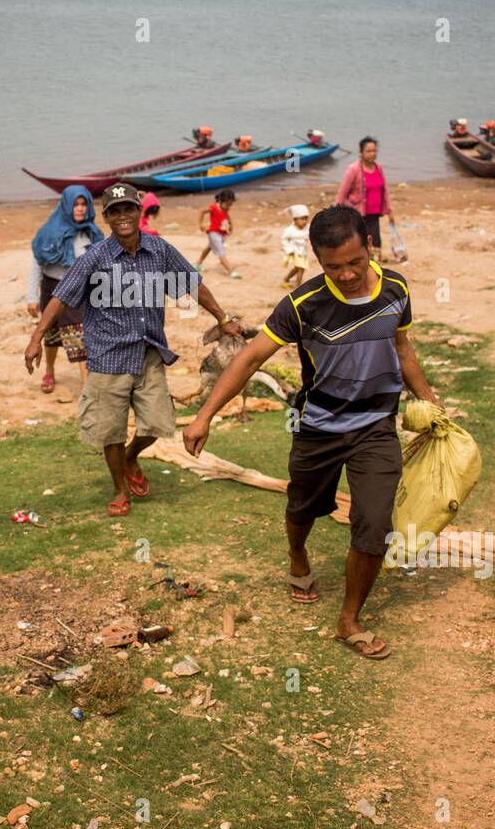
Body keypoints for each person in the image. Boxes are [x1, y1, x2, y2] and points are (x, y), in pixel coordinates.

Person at [182, 204, 439, 660]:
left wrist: (430, 401)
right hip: (319, 426)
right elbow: (249, 358)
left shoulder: (396, 288)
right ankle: (298, 555)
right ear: (318, 260)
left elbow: (403, 349)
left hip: (377, 425)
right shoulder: (303, 305)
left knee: (375, 523)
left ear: (369, 247)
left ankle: (349, 619)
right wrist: (205, 415)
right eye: (333, 266)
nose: (346, 275)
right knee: (303, 507)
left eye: (355, 262)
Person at [24, 182, 241, 517]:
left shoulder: (159, 249)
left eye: (129, 209)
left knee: (158, 424)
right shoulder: (95, 257)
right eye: (115, 211)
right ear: (107, 218)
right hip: (107, 357)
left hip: (149, 351)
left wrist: (223, 317)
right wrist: (37, 337)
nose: (123, 216)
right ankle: (120, 490)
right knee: (110, 430)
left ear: (140, 212)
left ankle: (130, 457)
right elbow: (62, 295)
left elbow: (192, 282)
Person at [27, 186, 103, 393]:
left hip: (79, 293)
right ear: (66, 206)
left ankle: (88, 391)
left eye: (83, 204)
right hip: (52, 288)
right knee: (51, 336)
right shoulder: (49, 232)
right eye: (75, 204)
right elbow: (37, 264)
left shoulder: (92, 233)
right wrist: (31, 297)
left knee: (81, 338)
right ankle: (49, 371)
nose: (80, 209)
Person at [335, 136, 395, 263]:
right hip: (358, 215)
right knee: (360, 244)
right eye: (369, 151)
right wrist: (337, 214)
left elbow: (385, 191)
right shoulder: (353, 169)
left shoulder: (379, 168)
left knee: (376, 242)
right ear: (361, 152)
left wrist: (390, 210)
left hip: (374, 214)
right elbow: (342, 193)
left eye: (374, 150)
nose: (372, 154)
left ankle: (375, 267)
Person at [197, 188, 240, 278]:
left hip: (221, 233)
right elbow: (202, 211)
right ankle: (231, 272)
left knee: (209, 247)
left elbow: (227, 217)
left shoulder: (225, 208)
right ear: (221, 201)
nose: (229, 207)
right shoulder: (213, 208)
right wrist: (200, 224)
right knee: (221, 252)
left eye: (231, 205)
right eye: (227, 204)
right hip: (213, 233)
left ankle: (198, 263)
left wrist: (231, 226)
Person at [281, 203, 310, 288]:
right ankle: (298, 286)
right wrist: (289, 249)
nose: (304, 221)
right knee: (301, 268)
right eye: (302, 219)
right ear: (295, 219)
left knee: (297, 268)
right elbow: (284, 240)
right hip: (295, 251)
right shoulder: (290, 230)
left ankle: (286, 278)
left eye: (306, 219)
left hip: (303, 251)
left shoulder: (307, 228)